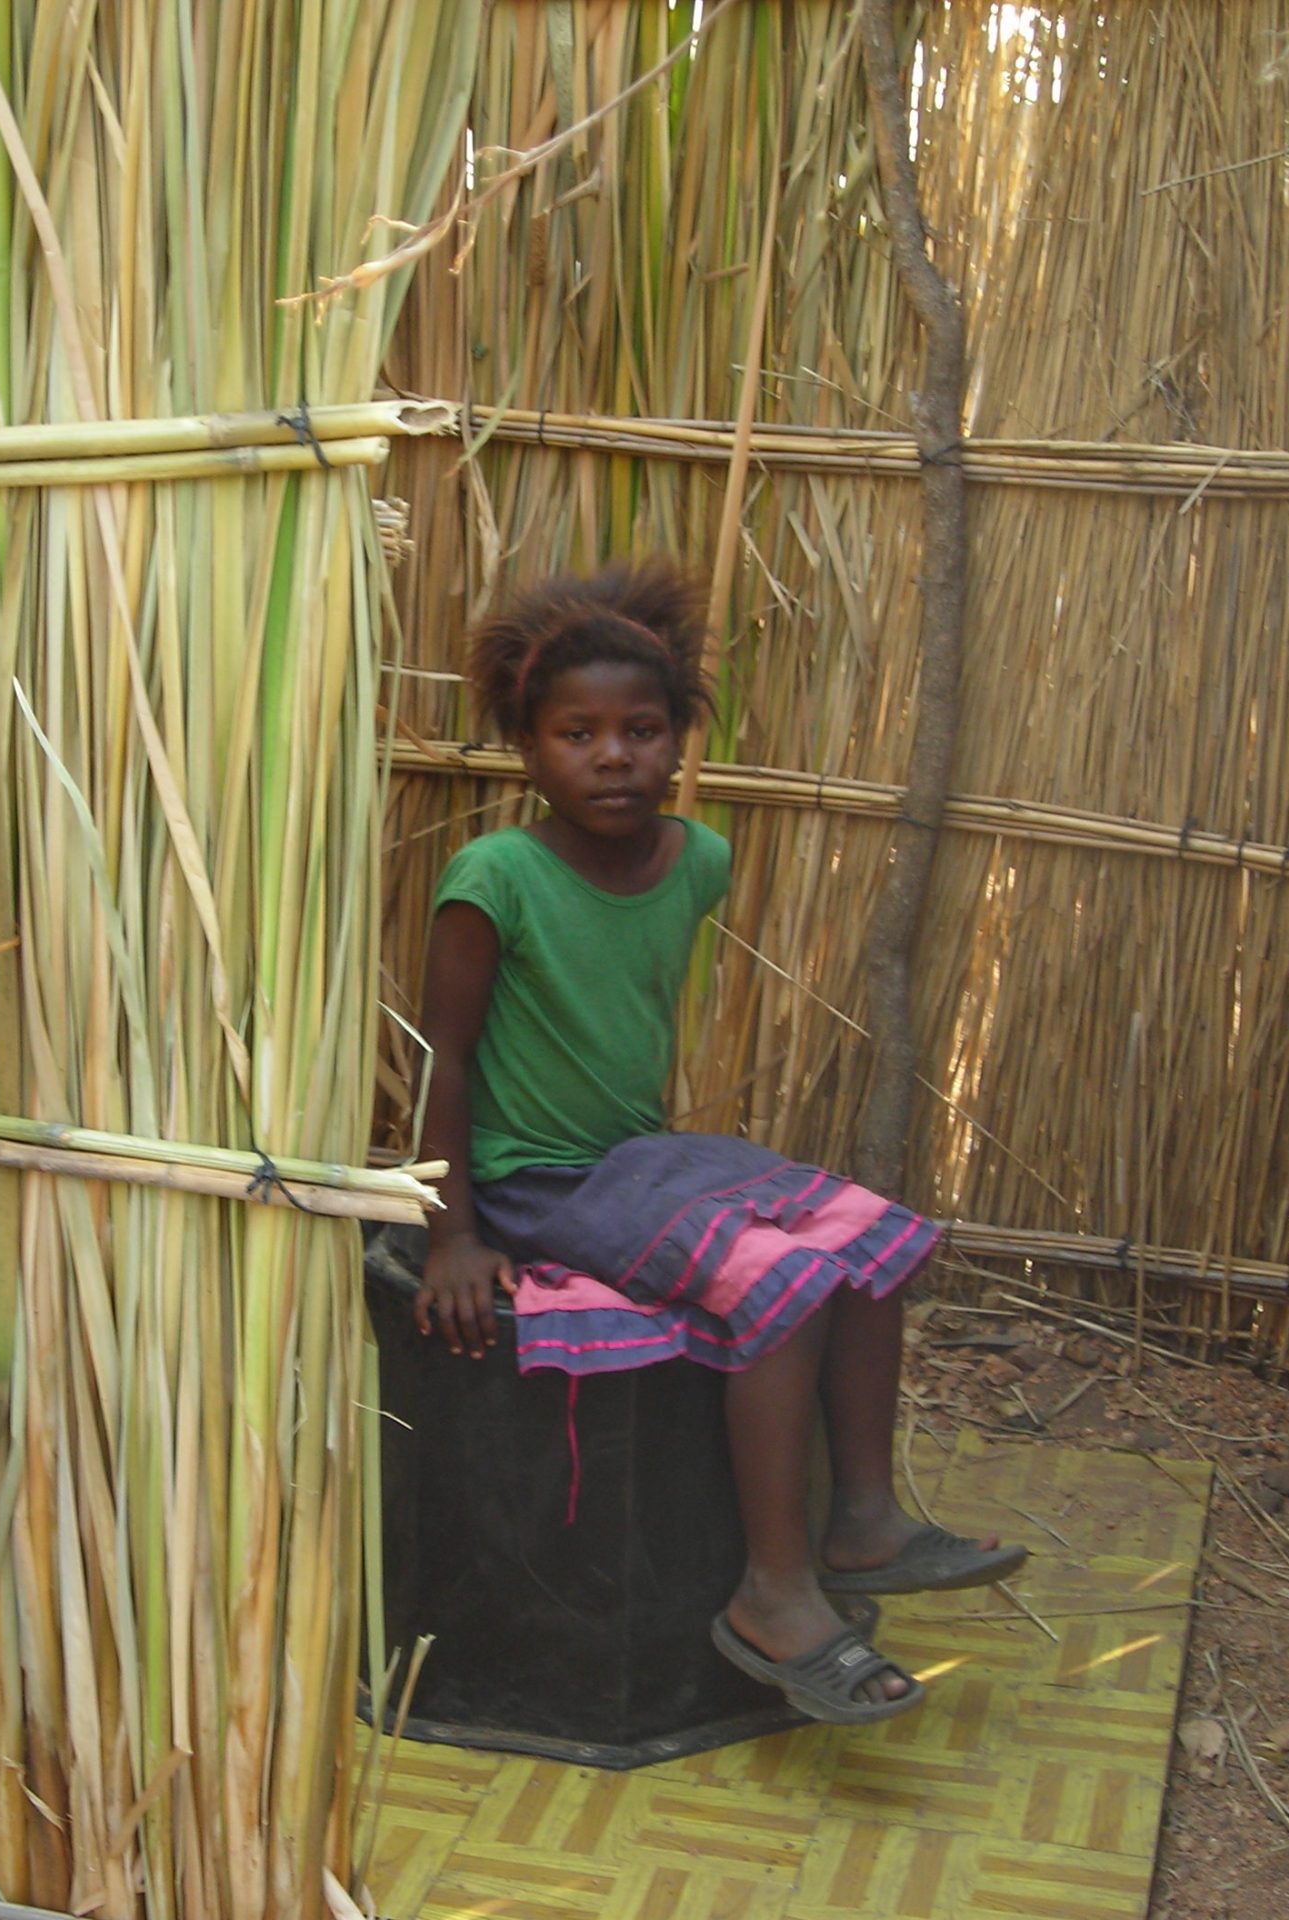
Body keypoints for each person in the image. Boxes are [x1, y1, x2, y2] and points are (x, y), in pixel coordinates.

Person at [412, 558, 1024, 1727]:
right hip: (535, 1182)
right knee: (779, 1284)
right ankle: (773, 1593)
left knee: (875, 1236)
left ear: (680, 739)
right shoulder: (492, 878)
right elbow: (442, 1053)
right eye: (576, 733)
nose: (613, 756)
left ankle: (860, 1522)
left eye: (641, 730)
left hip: (639, 1159)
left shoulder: (696, 859)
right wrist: (452, 1231)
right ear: (527, 750)